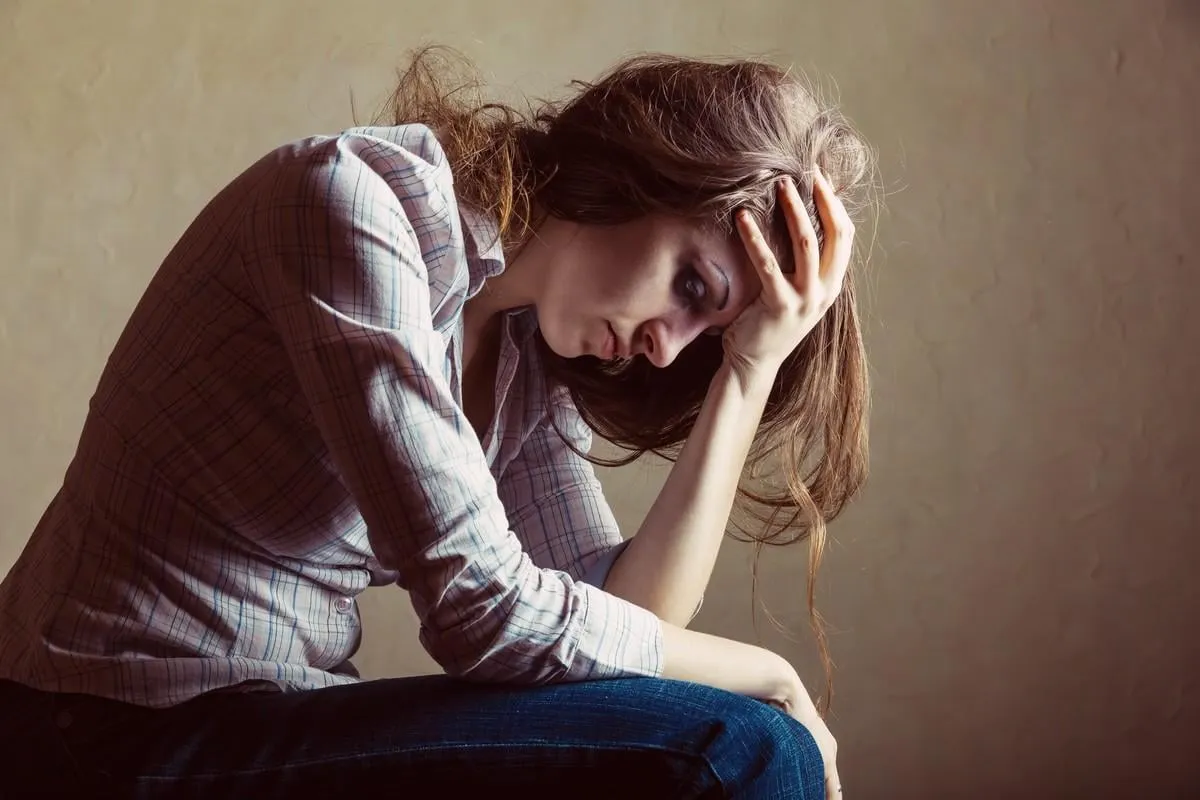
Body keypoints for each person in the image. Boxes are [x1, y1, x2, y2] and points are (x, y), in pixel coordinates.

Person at [0, 47, 872, 799]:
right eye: (692, 287)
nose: (661, 349)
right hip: (101, 726)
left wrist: (747, 369)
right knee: (744, 744)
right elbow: (482, 614)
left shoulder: (523, 353)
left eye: (701, 344)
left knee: (729, 732)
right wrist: (768, 672)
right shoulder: (348, 207)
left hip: (267, 707)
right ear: (643, 170)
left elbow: (625, 622)